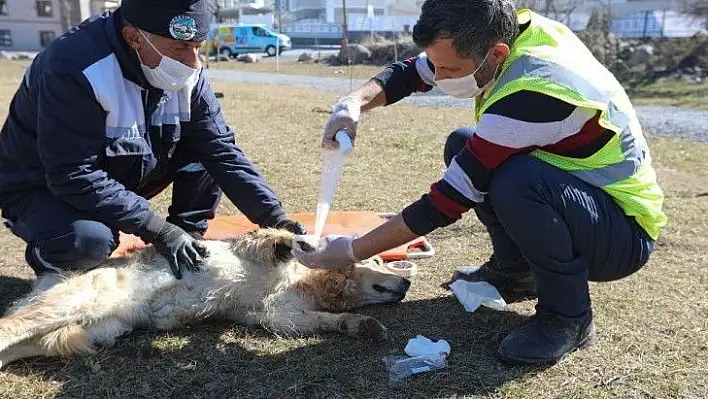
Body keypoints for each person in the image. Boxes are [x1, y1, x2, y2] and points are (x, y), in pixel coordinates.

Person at [292, 0, 666, 365]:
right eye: (438, 66)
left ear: (497, 54)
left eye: (451, 69)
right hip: (584, 197)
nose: (438, 79)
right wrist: (353, 103)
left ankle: (568, 318)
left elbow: (447, 201)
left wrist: (350, 251)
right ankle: (515, 272)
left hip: (622, 233)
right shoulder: (503, 32)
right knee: (463, 144)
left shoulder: (536, 90)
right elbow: (411, 73)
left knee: (515, 180)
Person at [0, 0, 305, 284]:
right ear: (133, 37)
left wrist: (277, 220)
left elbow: (221, 151)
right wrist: (156, 228)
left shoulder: (187, 72)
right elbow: (71, 172)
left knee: (204, 147)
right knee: (88, 241)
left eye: (198, 47)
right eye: (179, 49)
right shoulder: (74, 68)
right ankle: (51, 258)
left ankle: (187, 239)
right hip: (41, 184)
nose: (192, 63)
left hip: (117, 167)